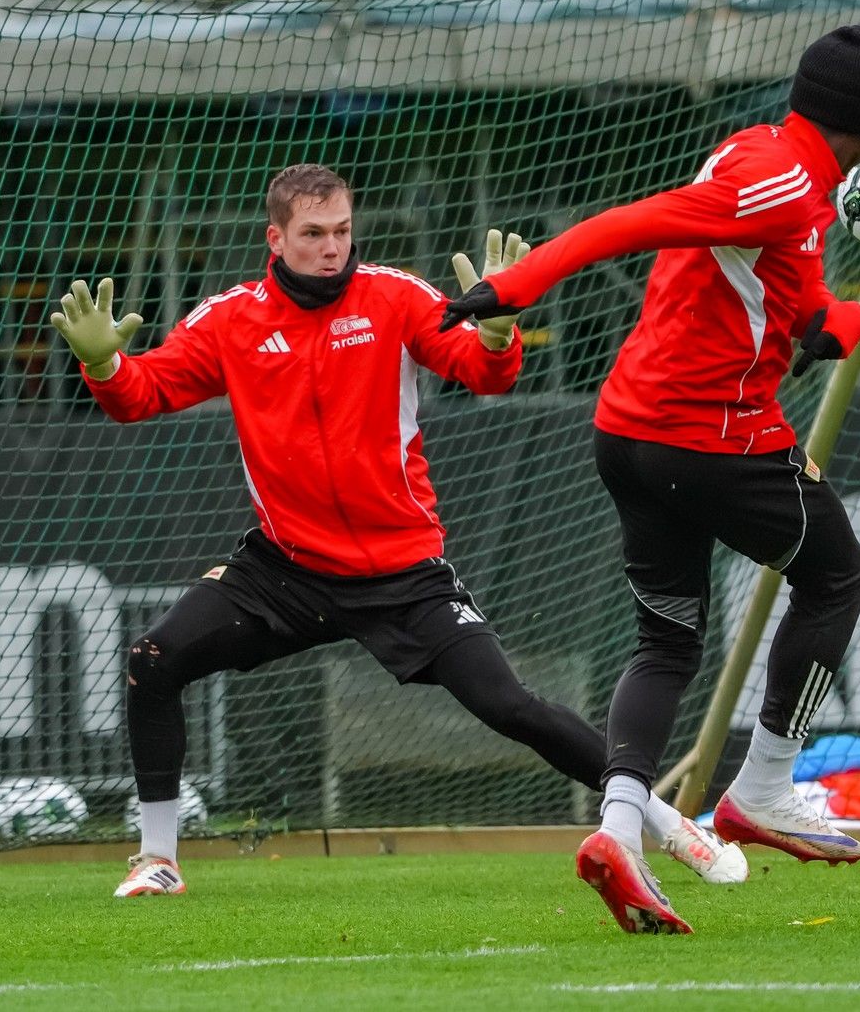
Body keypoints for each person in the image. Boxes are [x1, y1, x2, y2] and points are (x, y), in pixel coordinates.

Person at [51, 162, 745, 898]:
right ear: (275, 237)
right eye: (313, 234)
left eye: (342, 231)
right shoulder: (231, 318)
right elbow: (141, 393)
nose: (331, 247)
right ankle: (158, 858)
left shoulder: (396, 297)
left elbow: (483, 371)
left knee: (513, 706)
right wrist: (103, 362)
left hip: (404, 572)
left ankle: (670, 824)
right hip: (283, 570)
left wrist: (501, 334)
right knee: (153, 658)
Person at [441, 24, 860, 934]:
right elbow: (636, 221)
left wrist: (838, 320)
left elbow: (791, 301)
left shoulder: (764, 156)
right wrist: (520, 284)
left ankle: (617, 831)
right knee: (838, 572)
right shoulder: (784, 181)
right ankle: (764, 786)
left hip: (630, 432)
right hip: (708, 440)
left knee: (666, 642)